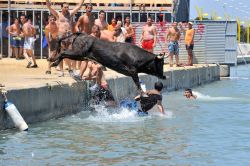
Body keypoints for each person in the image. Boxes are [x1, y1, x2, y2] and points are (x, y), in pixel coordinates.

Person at [46, 0, 83, 76]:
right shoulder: (58, 14)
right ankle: (61, 71)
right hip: (61, 36)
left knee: (70, 54)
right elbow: (49, 7)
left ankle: (70, 70)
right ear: (61, 8)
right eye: (65, 7)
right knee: (61, 53)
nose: (67, 8)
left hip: (69, 36)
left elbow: (78, 6)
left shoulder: (70, 14)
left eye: (67, 7)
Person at [74, 3, 95, 79]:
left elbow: (93, 27)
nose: (89, 9)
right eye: (88, 8)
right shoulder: (82, 17)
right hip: (84, 38)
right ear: (85, 9)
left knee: (89, 57)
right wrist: (79, 33)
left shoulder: (93, 17)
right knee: (83, 56)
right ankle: (79, 71)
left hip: (91, 38)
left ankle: (85, 73)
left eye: (90, 8)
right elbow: (76, 26)